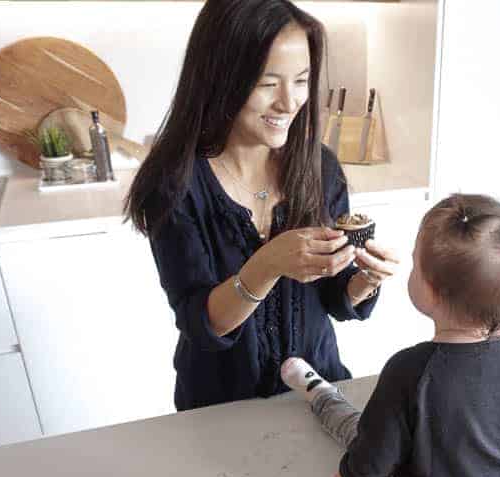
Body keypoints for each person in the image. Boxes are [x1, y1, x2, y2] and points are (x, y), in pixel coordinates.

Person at [125, 0, 398, 410]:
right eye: (268, 84)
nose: (289, 103)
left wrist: (364, 283)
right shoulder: (177, 184)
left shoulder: (319, 168)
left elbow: (331, 297)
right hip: (219, 410)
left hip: (320, 393)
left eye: (302, 80)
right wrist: (266, 264)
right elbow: (203, 324)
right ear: (220, 79)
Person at [281, 188, 500, 477]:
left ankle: (319, 392)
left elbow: (374, 457)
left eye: (415, 264)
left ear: (430, 291)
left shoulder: (408, 370)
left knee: (358, 428)